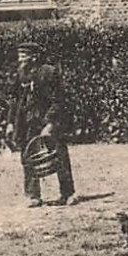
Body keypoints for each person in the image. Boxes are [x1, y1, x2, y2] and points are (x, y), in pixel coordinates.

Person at [6, 38, 77, 207]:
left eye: (24, 56)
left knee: (58, 155)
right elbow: (14, 101)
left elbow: (59, 100)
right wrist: (10, 122)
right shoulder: (21, 74)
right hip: (27, 122)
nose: (20, 59)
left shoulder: (49, 72)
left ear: (34, 57)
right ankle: (33, 195)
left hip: (47, 121)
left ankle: (68, 193)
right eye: (19, 56)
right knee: (27, 156)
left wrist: (50, 123)